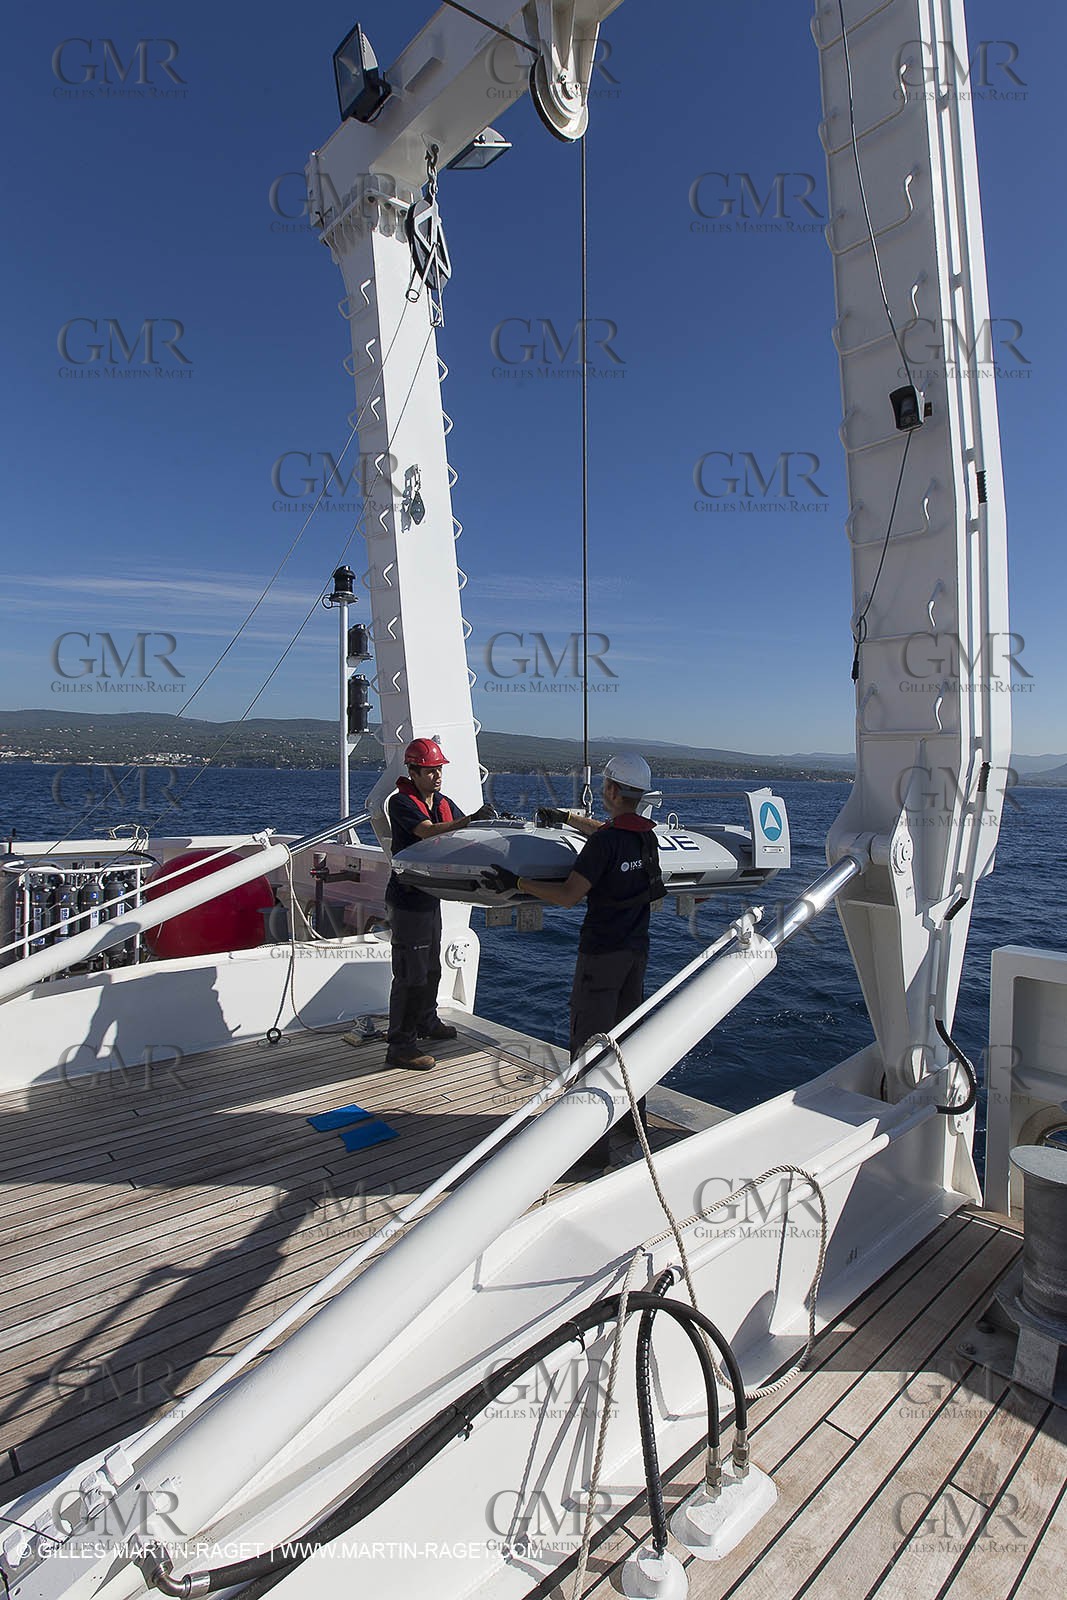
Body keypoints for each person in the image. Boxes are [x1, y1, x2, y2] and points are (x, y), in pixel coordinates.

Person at [485, 753, 664, 1168]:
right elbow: (613, 834)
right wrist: (568, 819)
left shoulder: (604, 843)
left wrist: (517, 882)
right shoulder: (644, 837)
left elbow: (568, 896)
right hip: (635, 955)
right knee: (626, 1040)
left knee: (589, 1045)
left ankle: (588, 1149)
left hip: (600, 957)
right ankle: (628, 1123)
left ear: (612, 790)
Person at [385, 737, 493, 1069]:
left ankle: (426, 1022)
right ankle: (400, 1044)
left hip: (428, 896)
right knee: (410, 974)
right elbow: (428, 832)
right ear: (413, 772)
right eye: (430, 771)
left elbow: (465, 830)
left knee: (431, 967)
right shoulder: (401, 804)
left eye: (439, 770)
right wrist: (469, 820)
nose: (437, 776)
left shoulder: (442, 802)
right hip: (407, 898)